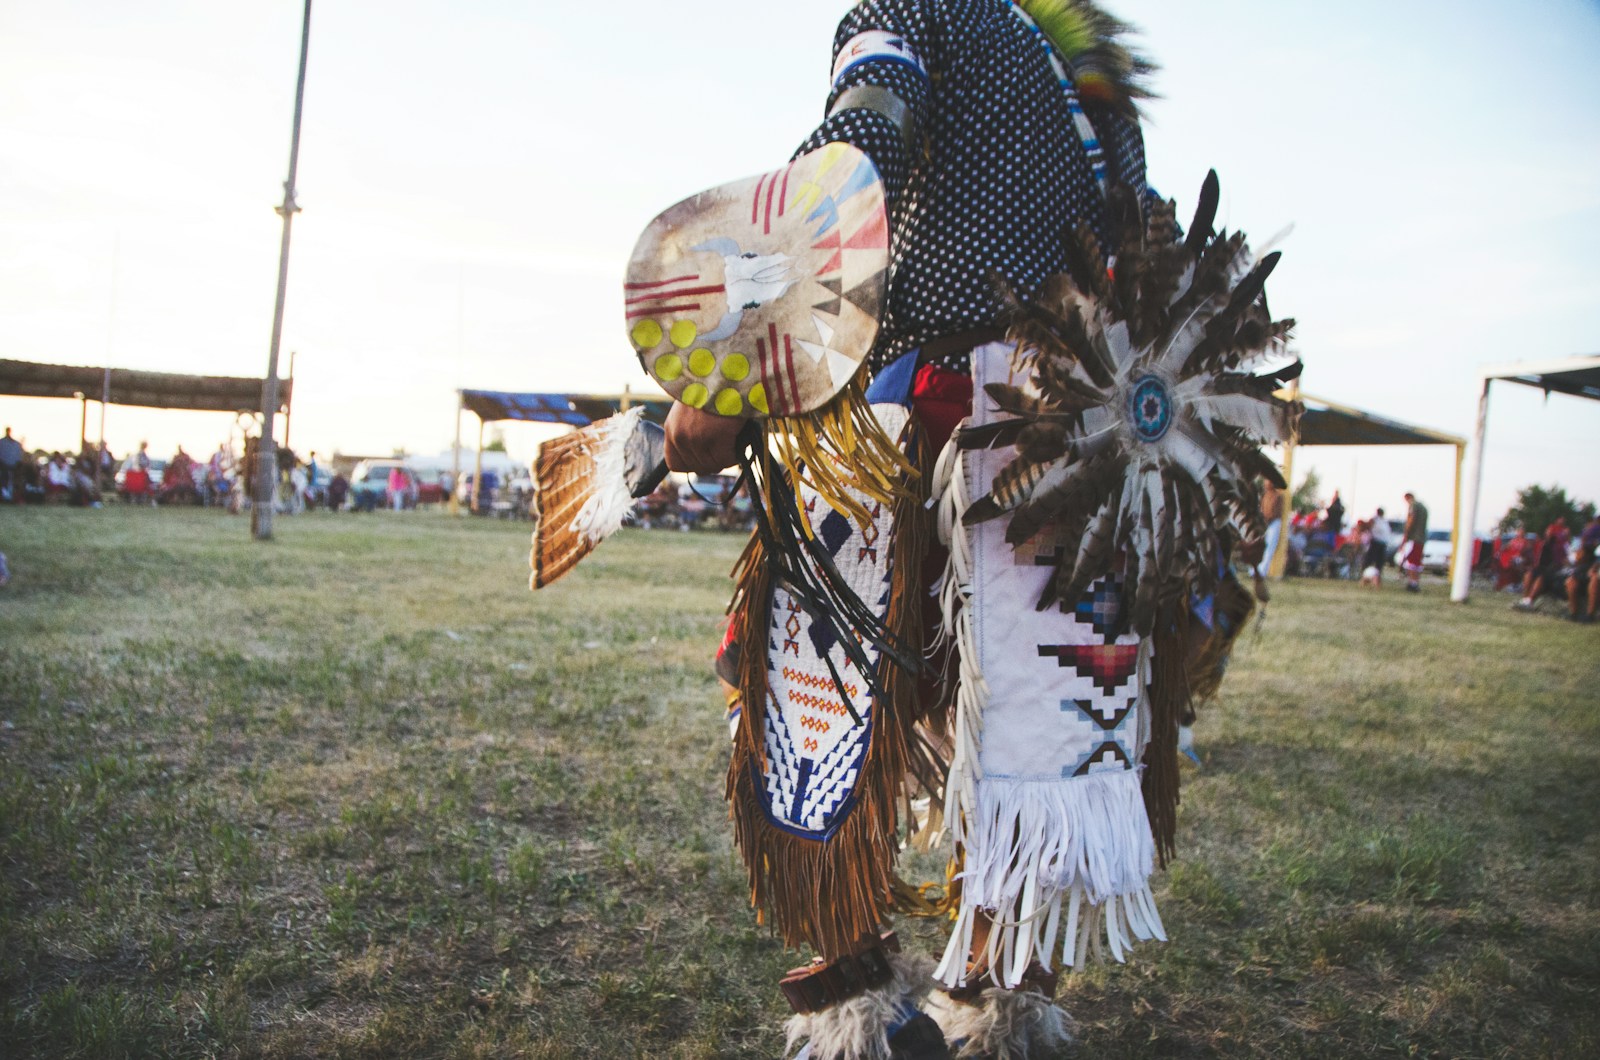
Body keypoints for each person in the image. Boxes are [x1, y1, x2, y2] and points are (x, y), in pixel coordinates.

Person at [654, 4, 1289, 1057]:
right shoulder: (1082, 67)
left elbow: (858, 157)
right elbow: (1141, 231)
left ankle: (855, 995)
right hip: (1080, 440)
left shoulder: (909, 11)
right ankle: (1002, 991)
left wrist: (734, 365)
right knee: (1031, 716)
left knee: (799, 689)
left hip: (926, 413)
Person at [1516, 517, 1568, 610]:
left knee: (1542, 577)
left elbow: (1563, 561)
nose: (1549, 533)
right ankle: (1525, 599)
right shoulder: (1543, 544)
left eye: (1551, 532)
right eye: (1548, 532)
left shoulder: (1561, 546)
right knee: (1530, 574)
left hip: (1554, 570)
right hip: (1542, 567)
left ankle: (1530, 600)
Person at [1565, 515, 1600, 623]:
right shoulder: (1591, 533)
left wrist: (1594, 568)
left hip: (1596, 566)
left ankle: (1590, 615)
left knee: (1594, 579)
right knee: (1571, 581)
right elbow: (1580, 554)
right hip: (1588, 564)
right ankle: (1574, 613)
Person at [1400, 491, 1429, 592]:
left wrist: (1406, 533)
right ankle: (1415, 583)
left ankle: (1412, 583)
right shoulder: (1424, 507)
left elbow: (1411, 519)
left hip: (1414, 538)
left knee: (1411, 562)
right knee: (1417, 562)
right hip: (1421, 538)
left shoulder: (1413, 506)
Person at [1258, 480, 1284, 577]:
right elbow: (1262, 509)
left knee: (1269, 548)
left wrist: (1267, 519)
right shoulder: (1265, 495)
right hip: (1265, 523)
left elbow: (1276, 512)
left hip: (1274, 523)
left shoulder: (1278, 496)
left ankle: (1262, 572)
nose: (1266, 484)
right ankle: (1254, 570)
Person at [0, 427, 23, 502]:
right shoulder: (2, 442)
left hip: (14, 467)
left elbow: (18, 456)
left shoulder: (15, 443)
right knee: (4, 482)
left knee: (12, 482)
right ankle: (5, 497)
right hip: (3, 466)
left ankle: (11, 497)